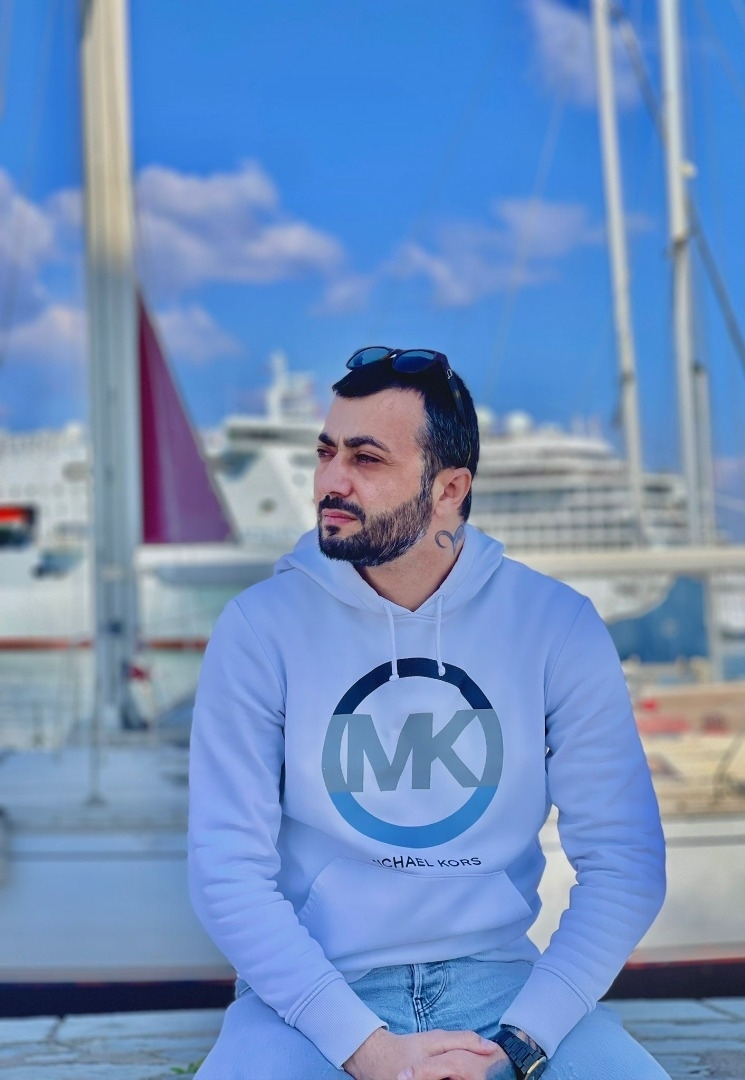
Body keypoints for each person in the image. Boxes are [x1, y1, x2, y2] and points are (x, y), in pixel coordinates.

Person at [188, 347, 669, 1080]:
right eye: (325, 452)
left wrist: (525, 1041)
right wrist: (365, 1048)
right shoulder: (259, 628)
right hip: (309, 994)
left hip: (504, 987)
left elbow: (625, 860)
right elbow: (226, 870)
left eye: (365, 458)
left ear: (449, 488)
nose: (330, 481)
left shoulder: (555, 626)